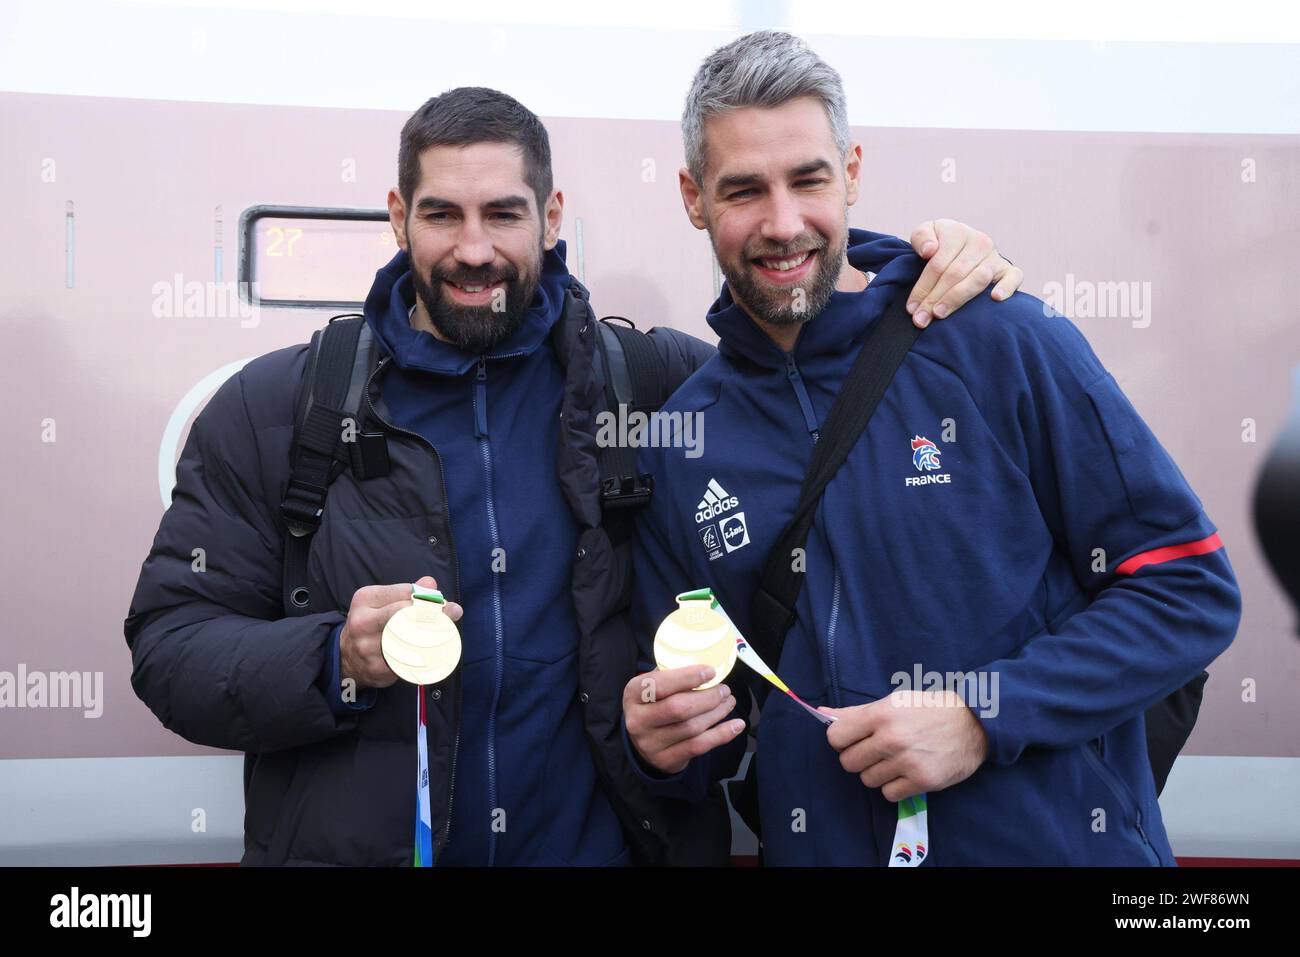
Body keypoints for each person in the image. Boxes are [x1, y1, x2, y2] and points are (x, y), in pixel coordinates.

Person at [125, 85, 1022, 866]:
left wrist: (937, 267)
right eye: (443, 215)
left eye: (504, 214)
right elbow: (170, 648)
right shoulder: (281, 407)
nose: (474, 250)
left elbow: (824, 374)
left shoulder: (665, 386)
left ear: (552, 217)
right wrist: (336, 659)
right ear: (398, 217)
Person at [623, 31, 1241, 865]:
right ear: (694, 198)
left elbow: (1189, 587)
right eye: (744, 190)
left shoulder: (997, 335)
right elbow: (711, 726)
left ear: (851, 170)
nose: (783, 222)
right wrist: (660, 743)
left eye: (808, 178)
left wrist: (984, 716)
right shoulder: (683, 443)